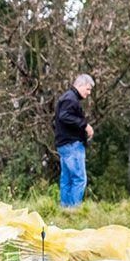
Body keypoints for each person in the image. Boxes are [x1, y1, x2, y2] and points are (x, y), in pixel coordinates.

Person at [52, 74, 94, 210]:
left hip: (64, 144)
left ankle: (65, 209)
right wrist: (85, 125)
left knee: (67, 179)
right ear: (80, 85)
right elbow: (64, 116)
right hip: (72, 145)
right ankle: (74, 211)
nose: (89, 93)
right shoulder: (71, 99)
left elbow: (57, 120)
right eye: (88, 89)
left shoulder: (67, 98)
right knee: (79, 179)